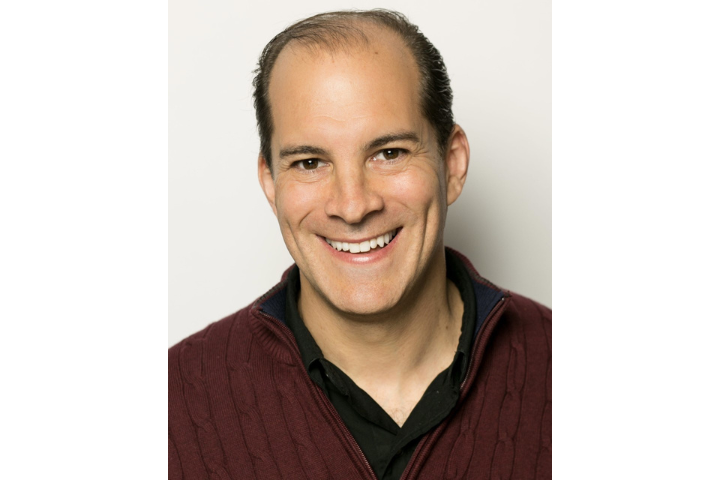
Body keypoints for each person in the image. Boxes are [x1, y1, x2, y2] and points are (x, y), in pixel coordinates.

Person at [169, 9, 551, 480]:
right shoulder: (174, 404)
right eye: (310, 162)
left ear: (451, 164)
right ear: (270, 182)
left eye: (389, 153)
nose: (352, 206)